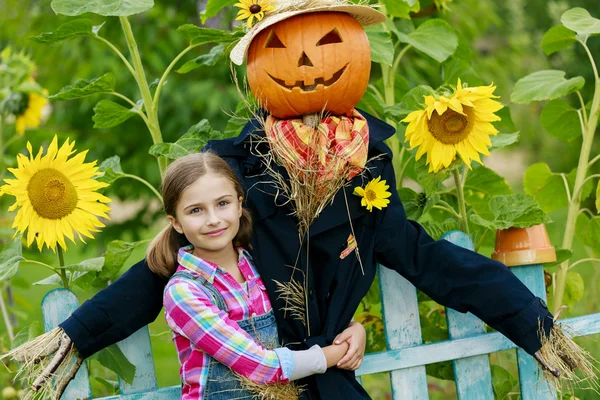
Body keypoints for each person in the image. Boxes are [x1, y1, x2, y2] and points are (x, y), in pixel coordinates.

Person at [148, 152, 366, 398]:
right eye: (196, 210)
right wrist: (339, 352)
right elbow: (262, 367)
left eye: (223, 203)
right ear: (176, 222)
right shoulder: (185, 292)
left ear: (239, 205)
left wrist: (351, 328)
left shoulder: (261, 264)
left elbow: (303, 318)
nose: (213, 219)